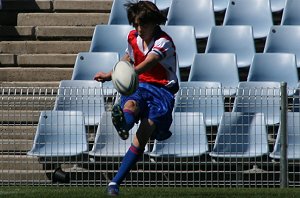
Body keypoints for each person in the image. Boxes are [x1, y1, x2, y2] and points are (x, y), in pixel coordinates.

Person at [94, 0, 178, 196]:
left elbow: (150, 62)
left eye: (144, 24)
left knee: (143, 135)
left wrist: (128, 74)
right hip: (139, 85)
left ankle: (114, 182)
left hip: (161, 90)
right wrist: (110, 74)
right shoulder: (132, 37)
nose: (139, 29)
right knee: (131, 104)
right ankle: (124, 125)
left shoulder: (164, 42)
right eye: (136, 24)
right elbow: (128, 59)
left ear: (155, 22)